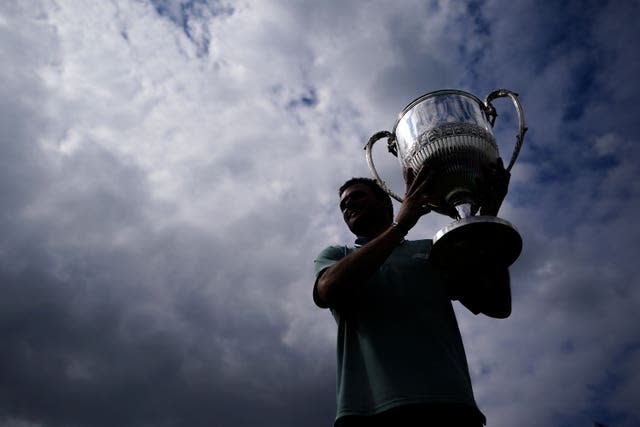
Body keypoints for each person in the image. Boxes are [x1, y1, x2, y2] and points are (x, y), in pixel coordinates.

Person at [313, 164, 512, 426]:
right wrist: (400, 226)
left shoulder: (432, 250)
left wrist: (486, 221)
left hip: (451, 405)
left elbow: (497, 304)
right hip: (369, 412)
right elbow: (330, 289)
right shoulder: (337, 255)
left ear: (386, 202)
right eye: (343, 205)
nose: (348, 205)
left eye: (357, 196)